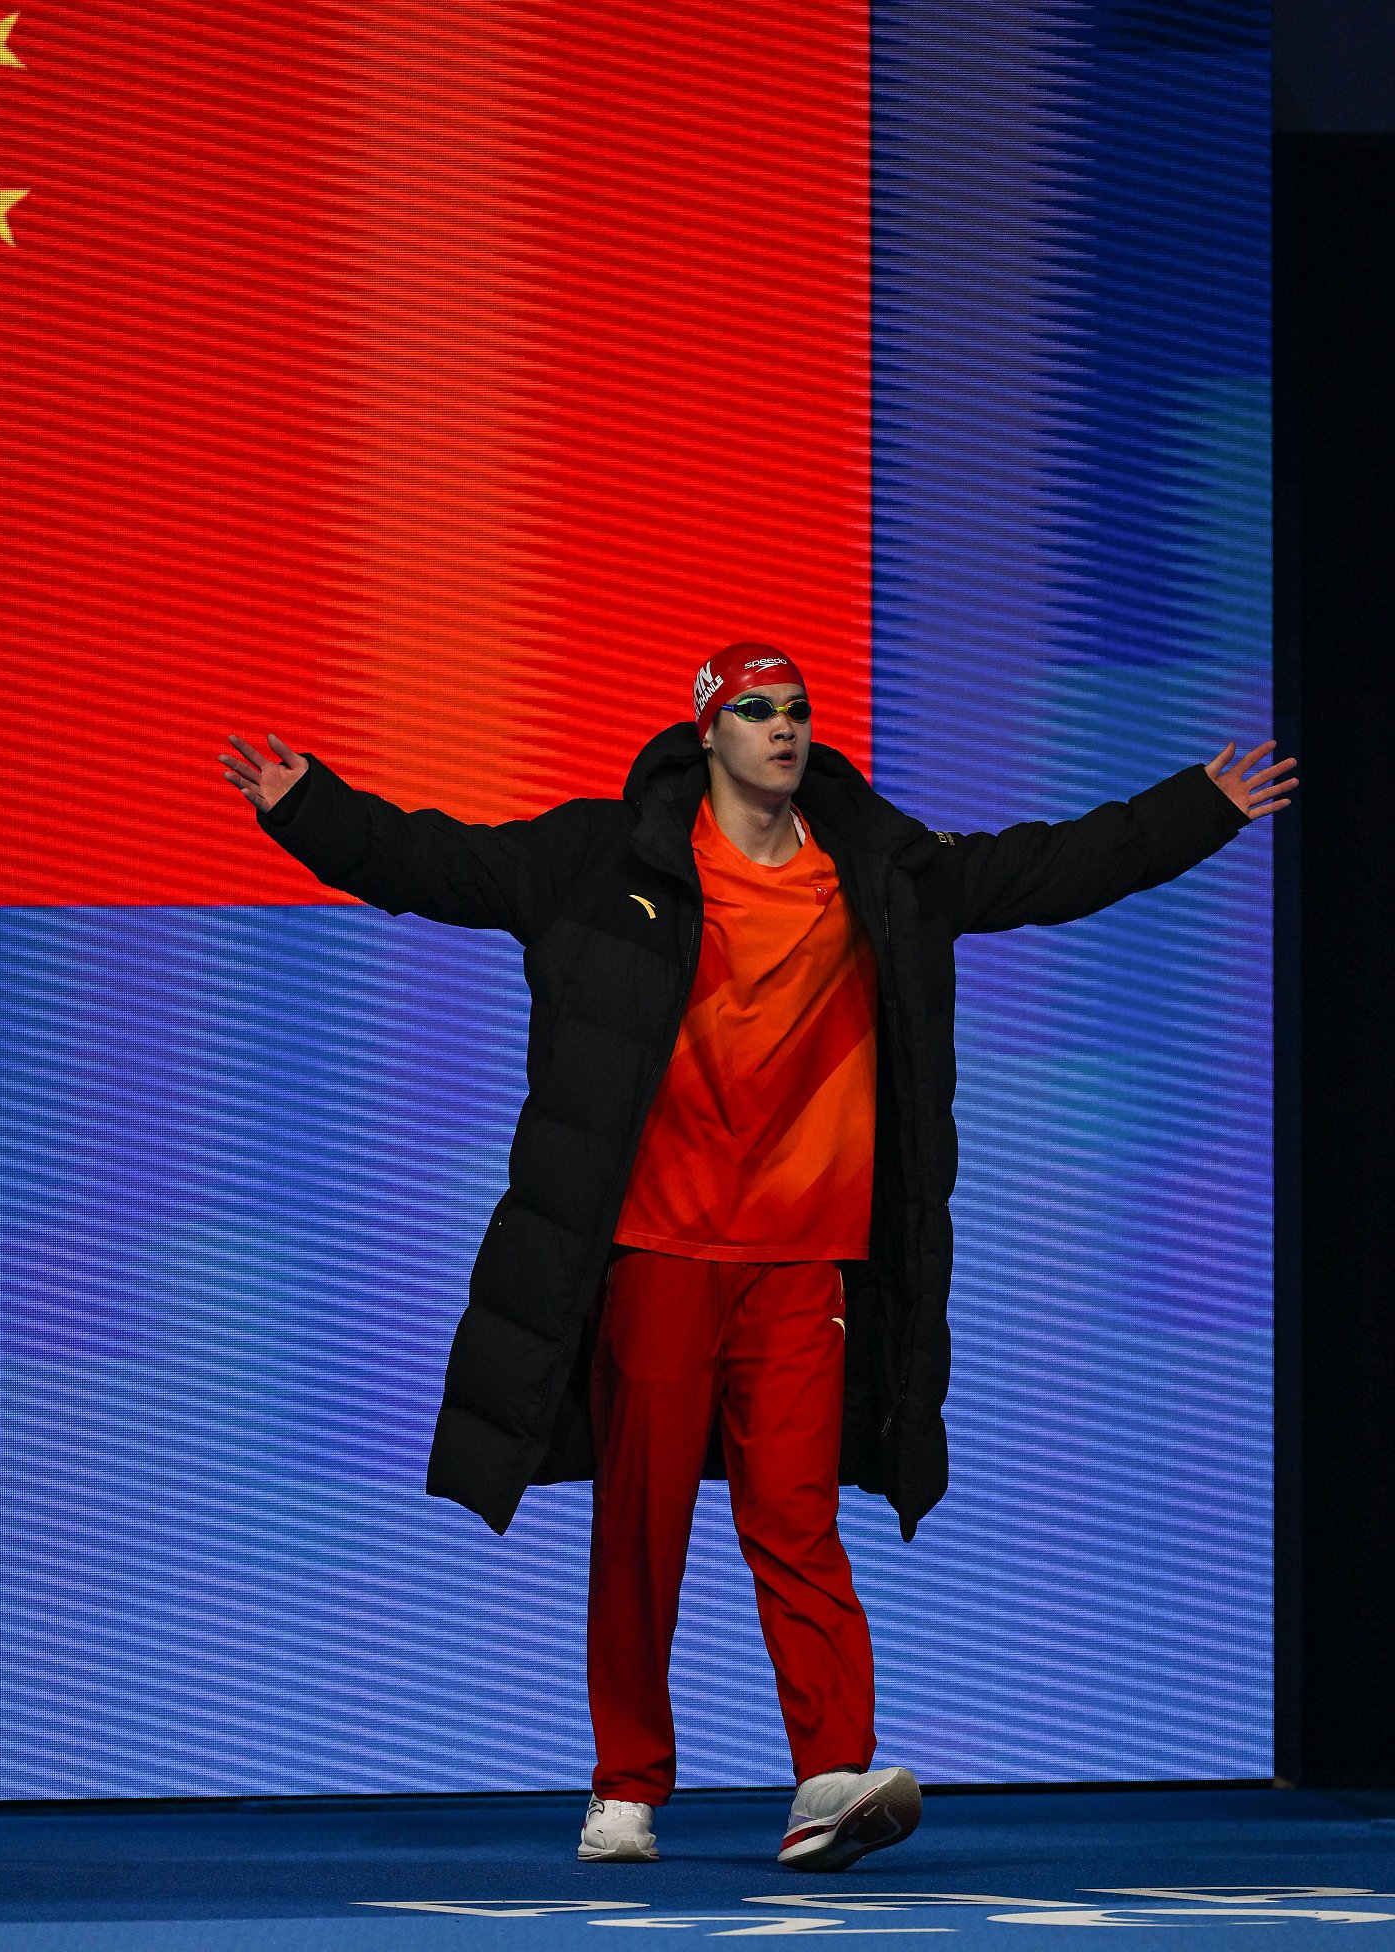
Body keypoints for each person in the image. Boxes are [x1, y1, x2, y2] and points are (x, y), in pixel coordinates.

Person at [218, 643, 1296, 1871]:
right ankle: (626, 1785)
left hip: (805, 1265)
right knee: (642, 1522)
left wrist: (1197, 806)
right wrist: (309, 807)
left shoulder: (880, 871)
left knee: (798, 1520)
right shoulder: (604, 858)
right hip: (657, 1253)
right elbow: (442, 863)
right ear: (708, 730)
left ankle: (831, 1773)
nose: (783, 728)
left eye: (797, 710)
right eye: (756, 710)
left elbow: (1042, 869)